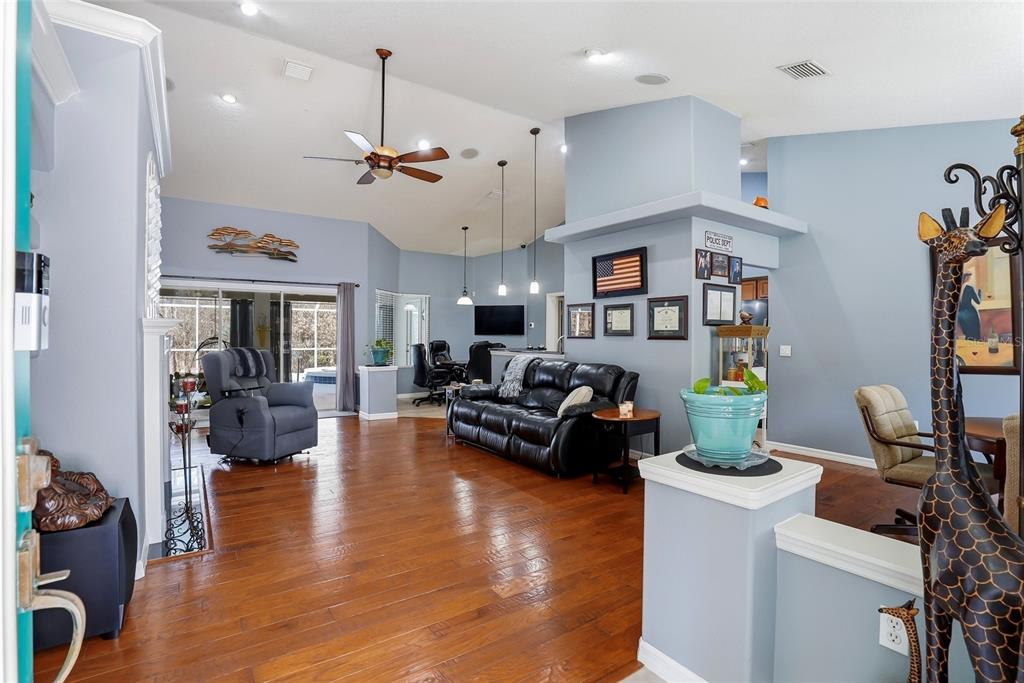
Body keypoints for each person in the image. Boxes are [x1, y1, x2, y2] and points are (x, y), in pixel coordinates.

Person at [957, 271, 982, 340]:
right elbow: (978, 301)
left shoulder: (957, 287)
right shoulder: (970, 287)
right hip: (971, 313)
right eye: (970, 277)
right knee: (975, 333)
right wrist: (980, 291)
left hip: (960, 312)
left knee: (967, 333)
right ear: (967, 278)